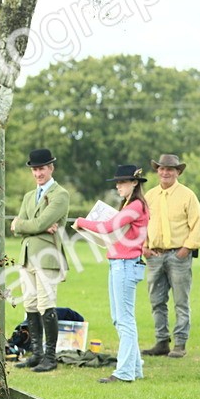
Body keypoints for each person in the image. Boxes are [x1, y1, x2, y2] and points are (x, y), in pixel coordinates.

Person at [74, 165, 150, 384]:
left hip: (125, 265)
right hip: (121, 264)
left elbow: (108, 226)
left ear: (134, 183)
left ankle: (124, 372)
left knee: (124, 320)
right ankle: (134, 369)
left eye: (122, 182)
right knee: (122, 319)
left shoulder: (135, 206)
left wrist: (81, 221)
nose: (118, 186)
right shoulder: (132, 205)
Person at [10, 149, 70, 373]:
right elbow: (18, 227)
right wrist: (35, 225)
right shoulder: (28, 196)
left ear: (51, 168)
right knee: (31, 305)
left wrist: (29, 224)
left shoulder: (60, 195)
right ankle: (36, 354)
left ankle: (50, 357)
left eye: (42, 168)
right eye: (35, 169)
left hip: (47, 258)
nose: (38, 173)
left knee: (46, 305)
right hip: (26, 256)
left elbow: (30, 224)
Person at [141, 153, 200, 359]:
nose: (165, 172)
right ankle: (161, 342)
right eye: (162, 168)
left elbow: (198, 225)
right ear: (157, 170)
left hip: (178, 255)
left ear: (177, 172)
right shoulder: (149, 196)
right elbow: (141, 224)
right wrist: (144, 247)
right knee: (156, 301)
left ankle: (180, 344)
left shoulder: (187, 195)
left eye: (170, 169)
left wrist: (186, 249)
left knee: (180, 301)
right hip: (154, 255)